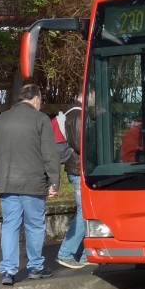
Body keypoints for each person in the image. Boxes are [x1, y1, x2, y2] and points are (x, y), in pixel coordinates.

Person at [0, 82, 62, 285]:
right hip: (33, 183)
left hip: (7, 182)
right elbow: (49, 154)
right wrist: (54, 181)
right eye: (41, 101)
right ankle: (36, 266)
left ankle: (8, 271)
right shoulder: (40, 120)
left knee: (10, 226)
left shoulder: (1, 120)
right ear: (36, 99)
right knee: (34, 225)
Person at [56, 96, 87, 269]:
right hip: (78, 168)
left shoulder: (75, 113)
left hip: (77, 168)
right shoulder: (77, 114)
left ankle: (82, 255)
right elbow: (79, 143)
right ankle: (66, 253)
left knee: (86, 211)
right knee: (84, 212)